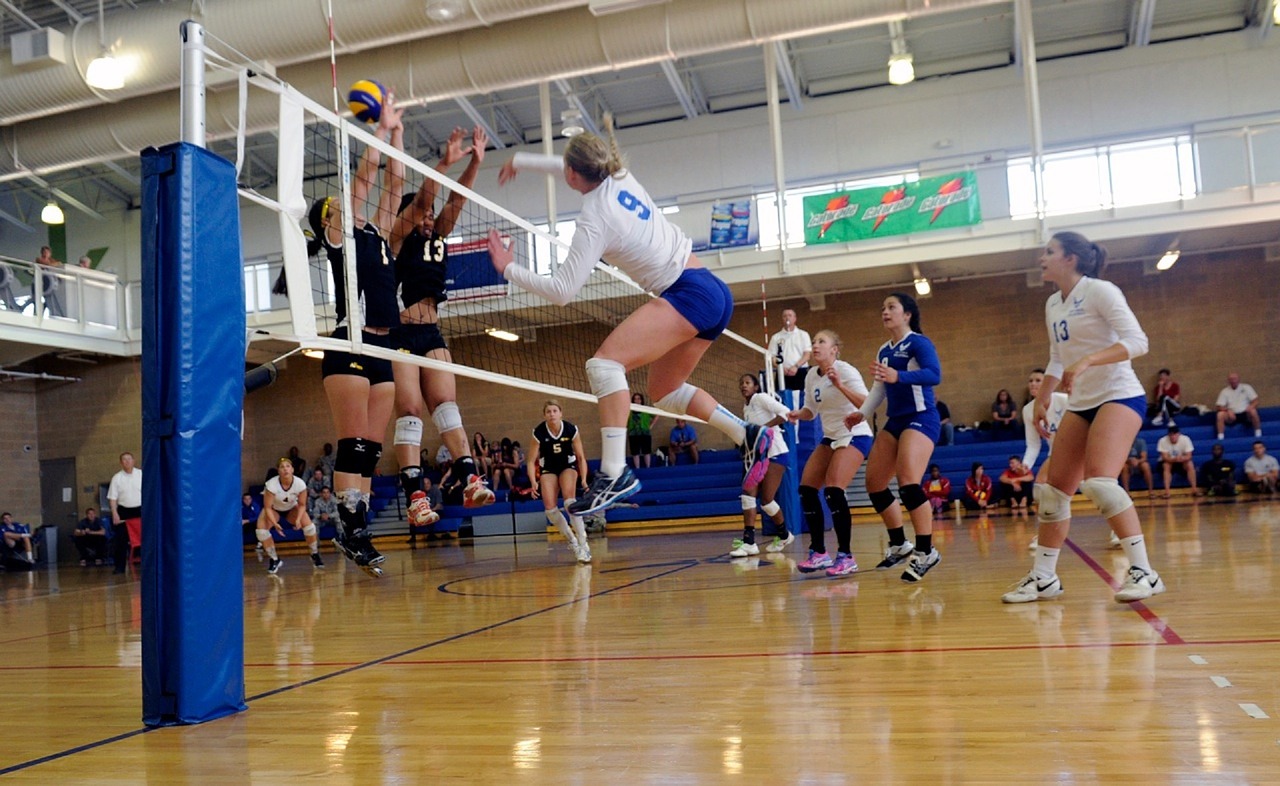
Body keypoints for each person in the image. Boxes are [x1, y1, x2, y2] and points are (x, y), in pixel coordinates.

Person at [485, 117, 773, 516]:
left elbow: (563, 291)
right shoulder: (619, 174)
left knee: (604, 364)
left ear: (572, 174)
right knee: (665, 388)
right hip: (711, 288)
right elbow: (571, 163)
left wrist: (507, 269)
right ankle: (747, 434)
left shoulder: (592, 217)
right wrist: (522, 160)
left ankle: (615, 472)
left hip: (687, 294)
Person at [1002, 231, 1163, 605]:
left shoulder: (1101, 291)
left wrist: (1089, 359)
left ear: (1070, 258)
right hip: (1080, 403)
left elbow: (1139, 341)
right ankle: (1043, 578)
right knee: (1051, 492)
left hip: (1119, 395)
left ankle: (1144, 572)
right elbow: (1057, 357)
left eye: (1049, 252)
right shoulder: (1053, 304)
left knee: (1101, 483)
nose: (1042, 257)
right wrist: (1042, 398)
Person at [307, 92, 405, 575]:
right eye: (334, 208)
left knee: (371, 446)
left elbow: (394, 183)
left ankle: (356, 528)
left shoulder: (378, 235)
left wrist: (399, 133)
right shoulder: (338, 237)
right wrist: (379, 131)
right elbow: (365, 181)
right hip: (349, 342)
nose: (343, 209)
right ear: (327, 222)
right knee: (352, 443)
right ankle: (350, 528)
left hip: (382, 345)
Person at [387, 125, 495, 535]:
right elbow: (426, 200)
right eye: (424, 214)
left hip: (432, 332)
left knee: (447, 406)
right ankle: (415, 499)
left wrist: (474, 163)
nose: (431, 218)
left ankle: (470, 480)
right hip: (400, 336)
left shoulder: (439, 237)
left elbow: (456, 200)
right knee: (411, 411)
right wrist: (443, 163)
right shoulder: (397, 239)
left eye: (432, 216)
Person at [843, 293, 943, 582]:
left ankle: (926, 551)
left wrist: (898, 377)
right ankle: (899, 543)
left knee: (909, 483)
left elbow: (934, 374)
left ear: (907, 313)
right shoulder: (884, 350)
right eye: (882, 308)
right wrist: (861, 413)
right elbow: (879, 389)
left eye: (891, 307)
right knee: (874, 483)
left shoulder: (919, 343)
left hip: (922, 417)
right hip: (895, 420)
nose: (885, 312)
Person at [786, 330, 873, 576]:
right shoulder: (812, 375)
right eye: (813, 342)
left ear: (834, 349)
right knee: (807, 489)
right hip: (831, 436)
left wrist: (839, 385)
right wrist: (796, 414)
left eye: (821, 342)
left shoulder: (846, 370)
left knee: (834, 491)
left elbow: (866, 404)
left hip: (855, 434)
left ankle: (846, 556)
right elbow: (810, 411)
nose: (815, 345)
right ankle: (819, 553)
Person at [732, 373, 793, 557]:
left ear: (756, 386)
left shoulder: (761, 398)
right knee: (748, 494)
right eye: (741, 383)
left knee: (767, 500)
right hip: (758, 456)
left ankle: (784, 535)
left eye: (748, 382)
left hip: (776, 453)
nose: (744, 385)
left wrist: (763, 429)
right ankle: (749, 541)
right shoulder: (746, 407)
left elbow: (785, 413)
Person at [528, 400, 593, 563]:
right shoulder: (539, 432)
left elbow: (580, 457)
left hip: (567, 466)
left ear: (560, 413)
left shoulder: (571, 429)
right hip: (548, 469)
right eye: (548, 411)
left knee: (570, 502)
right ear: (544, 415)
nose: (552, 414)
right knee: (550, 509)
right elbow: (530, 461)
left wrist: (584, 479)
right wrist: (533, 482)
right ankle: (572, 541)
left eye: (555, 411)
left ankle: (583, 543)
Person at [257, 457, 324, 573]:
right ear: (278, 471)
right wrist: (275, 524)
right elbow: (267, 507)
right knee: (261, 531)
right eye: (282, 467)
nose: (285, 469)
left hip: (292, 508)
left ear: (292, 469)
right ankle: (274, 559)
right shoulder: (271, 485)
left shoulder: (300, 484)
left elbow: (302, 505)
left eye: (288, 466)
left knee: (309, 527)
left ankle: (314, 553)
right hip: (274, 510)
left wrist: (298, 520)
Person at [107, 450, 142, 574]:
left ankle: (147, 564)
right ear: (121, 463)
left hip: (140, 510)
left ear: (134, 461)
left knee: (146, 538)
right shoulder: (117, 478)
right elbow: (112, 498)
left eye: (129, 459)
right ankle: (119, 567)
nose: (127, 462)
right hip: (124, 511)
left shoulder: (141, 474)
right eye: (124, 460)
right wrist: (114, 513)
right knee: (120, 540)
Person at [768, 308, 812, 392]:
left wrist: (796, 366)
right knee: (783, 398)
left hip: (800, 371)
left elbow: (807, 355)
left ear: (795, 318)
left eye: (790, 315)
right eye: (785, 316)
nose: (787, 318)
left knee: (802, 398)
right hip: (782, 373)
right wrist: (780, 368)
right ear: (782, 319)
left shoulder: (803, 334)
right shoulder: (776, 337)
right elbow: (772, 357)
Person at [1215, 372, 1261, 440]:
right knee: (1220, 415)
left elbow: (1256, 401)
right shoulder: (1224, 391)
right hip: (1232, 415)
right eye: (1231, 379)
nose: (1233, 381)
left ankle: (1258, 433)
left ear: (1239, 379)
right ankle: (1220, 437)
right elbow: (1219, 406)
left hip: (1246, 413)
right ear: (1228, 381)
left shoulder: (1247, 387)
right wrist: (1227, 410)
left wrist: (1251, 406)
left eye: (1234, 379)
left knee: (1253, 411)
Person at [1156, 425, 1198, 498]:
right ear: (1168, 435)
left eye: (1175, 434)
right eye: (1171, 435)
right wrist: (1174, 459)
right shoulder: (1162, 441)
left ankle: (1194, 490)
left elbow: (1189, 456)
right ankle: (1167, 492)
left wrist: (1181, 458)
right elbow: (1165, 457)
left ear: (1178, 434)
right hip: (1168, 461)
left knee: (1190, 464)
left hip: (1181, 461)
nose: (1173, 437)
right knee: (1166, 465)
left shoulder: (1185, 439)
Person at [34, 245, 65, 317]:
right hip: (42, 282)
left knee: (47, 299)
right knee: (37, 299)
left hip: (50, 282)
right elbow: (46, 265)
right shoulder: (39, 259)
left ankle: (44, 313)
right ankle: (36, 313)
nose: (46, 253)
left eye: (48, 252)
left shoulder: (52, 260)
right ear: (42, 253)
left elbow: (57, 265)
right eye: (45, 252)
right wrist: (56, 264)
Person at [627, 392, 654, 469]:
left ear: (641, 400)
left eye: (638, 399)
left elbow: (657, 415)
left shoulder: (646, 409)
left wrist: (651, 425)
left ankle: (648, 468)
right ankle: (637, 468)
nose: (637, 401)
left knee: (646, 451)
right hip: (633, 433)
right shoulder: (630, 410)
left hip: (645, 432)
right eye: (635, 399)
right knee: (635, 452)